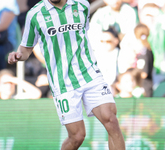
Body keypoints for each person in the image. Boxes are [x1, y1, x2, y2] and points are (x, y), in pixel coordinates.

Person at [8, 0, 125, 149]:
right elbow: (26, 49)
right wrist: (18, 55)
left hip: (89, 73)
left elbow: (82, 35)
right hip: (62, 82)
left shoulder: (82, 5)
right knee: (77, 137)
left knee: (111, 121)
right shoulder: (35, 14)